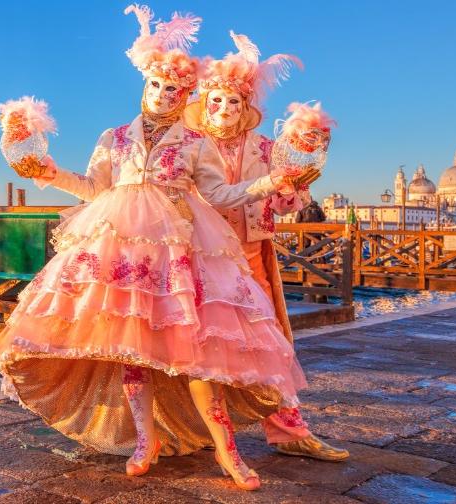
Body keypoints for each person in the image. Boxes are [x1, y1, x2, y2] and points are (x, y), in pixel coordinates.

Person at [0, 6, 319, 491]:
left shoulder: (195, 142)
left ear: (186, 95)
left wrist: (270, 181)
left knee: (198, 350)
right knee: (132, 350)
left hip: (182, 251)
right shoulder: (114, 137)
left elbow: (219, 195)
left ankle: (227, 451)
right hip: (123, 251)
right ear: (145, 86)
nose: (164, 95)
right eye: (157, 86)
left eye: (175, 90)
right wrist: (46, 173)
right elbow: (95, 188)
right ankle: (146, 440)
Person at [184, 35, 348, 461]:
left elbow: (286, 200)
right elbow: (210, 195)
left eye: (233, 102)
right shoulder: (188, 146)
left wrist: (293, 191)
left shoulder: (265, 148)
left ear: (245, 106)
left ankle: (290, 432)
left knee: (268, 341)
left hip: (252, 251)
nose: (223, 109)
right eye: (216, 100)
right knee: (194, 344)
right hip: (198, 255)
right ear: (205, 101)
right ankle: (193, 428)